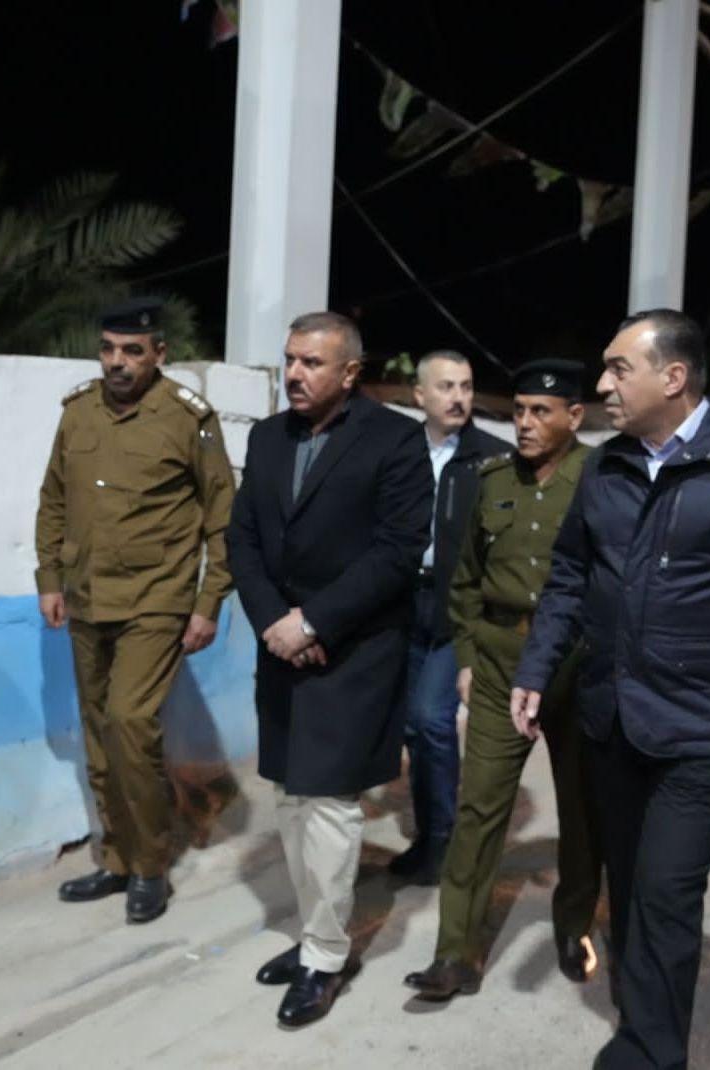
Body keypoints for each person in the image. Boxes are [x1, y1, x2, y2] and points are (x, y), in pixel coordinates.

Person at [511, 309, 710, 1069]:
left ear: (673, 377)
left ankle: (652, 1050)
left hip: (705, 726)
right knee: (625, 881)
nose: (603, 384)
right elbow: (569, 575)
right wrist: (536, 668)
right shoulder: (604, 465)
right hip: (611, 717)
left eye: (619, 368)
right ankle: (638, 1012)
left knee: (666, 890)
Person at [227, 311, 432, 1028]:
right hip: (281, 647)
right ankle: (315, 933)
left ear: (350, 372)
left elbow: (398, 550)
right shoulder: (266, 437)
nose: (293, 373)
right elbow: (243, 539)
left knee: (329, 807)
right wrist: (274, 624)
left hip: (352, 651)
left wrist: (313, 622)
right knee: (289, 797)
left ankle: (324, 956)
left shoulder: (395, 439)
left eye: (311, 363)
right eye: (290, 359)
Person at [404, 359, 602, 1001]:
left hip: (575, 666)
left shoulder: (600, 478)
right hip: (497, 664)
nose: (525, 423)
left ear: (575, 416)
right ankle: (454, 953)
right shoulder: (492, 480)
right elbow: (464, 579)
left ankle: (573, 927)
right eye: (518, 410)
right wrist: (467, 657)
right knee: (479, 808)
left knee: (582, 810)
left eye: (541, 412)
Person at [35, 297, 235, 925]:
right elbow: (53, 499)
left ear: (159, 354)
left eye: (131, 351)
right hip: (87, 595)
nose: (116, 362)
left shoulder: (188, 418)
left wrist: (209, 602)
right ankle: (116, 859)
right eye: (108, 349)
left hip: (156, 599)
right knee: (98, 732)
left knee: (129, 722)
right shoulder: (78, 412)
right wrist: (49, 578)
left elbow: (222, 516)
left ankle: (151, 864)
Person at [390, 350, 502, 886]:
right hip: (401, 602)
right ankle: (429, 836)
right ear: (420, 395)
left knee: (434, 720)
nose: (459, 397)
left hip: (457, 607)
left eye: (466, 386)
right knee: (411, 725)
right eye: (446, 387)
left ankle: (446, 841)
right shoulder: (398, 452)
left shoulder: (492, 459)